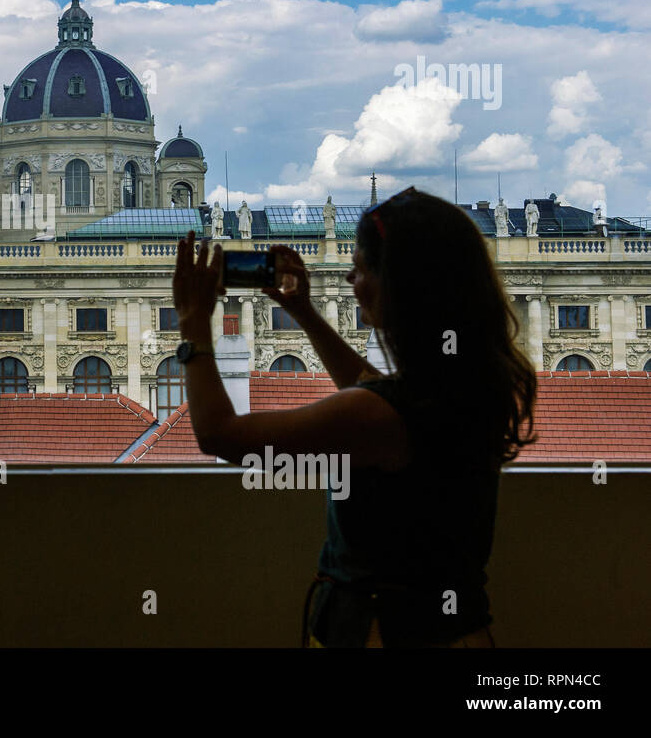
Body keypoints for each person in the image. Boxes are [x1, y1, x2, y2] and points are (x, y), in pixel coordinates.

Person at [171, 187, 537, 647]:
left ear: (400, 286)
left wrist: (191, 323)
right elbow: (372, 390)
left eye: (361, 268)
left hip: (382, 634)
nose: (348, 278)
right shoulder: (462, 385)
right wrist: (304, 311)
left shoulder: (383, 416)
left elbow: (220, 436)